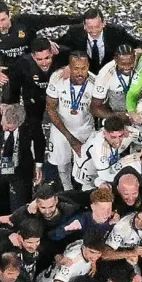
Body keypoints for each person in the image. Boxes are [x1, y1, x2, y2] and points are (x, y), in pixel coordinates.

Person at [0, 0, 81, 86]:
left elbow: (50, 20)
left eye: (3, 20)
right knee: (8, 97)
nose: (1, 25)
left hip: (34, 59)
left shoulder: (24, 21)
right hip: (11, 67)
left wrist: (80, 19)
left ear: (9, 15)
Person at [0, 104, 44, 215]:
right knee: (1, 195)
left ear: (20, 123)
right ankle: (4, 220)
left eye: (10, 128)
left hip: (20, 164)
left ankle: (25, 219)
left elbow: (39, 141)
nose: (4, 128)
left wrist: (38, 165)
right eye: (3, 124)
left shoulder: (31, 123)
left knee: (25, 197)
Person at [44, 52, 98, 190]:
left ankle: (87, 190)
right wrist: (70, 138)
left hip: (85, 128)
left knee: (87, 163)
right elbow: (50, 108)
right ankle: (67, 189)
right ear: (69, 67)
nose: (80, 73)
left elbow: (98, 108)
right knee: (62, 161)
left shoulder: (95, 82)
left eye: (83, 68)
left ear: (88, 66)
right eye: (76, 68)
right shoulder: (57, 78)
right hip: (61, 127)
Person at [54, 8, 142, 72]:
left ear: (103, 23)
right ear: (84, 26)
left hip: (110, 74)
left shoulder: (116, 33)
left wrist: (138, 51)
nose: (94, 31)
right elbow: (58, 45)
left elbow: (139, 44)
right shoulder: (75, 32)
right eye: (90, 27)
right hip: (84, 75)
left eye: (97, 26)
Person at [2, 36, 56, 140]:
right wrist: (8, 103)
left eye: (47, 58)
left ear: (52, 53)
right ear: (32, 56)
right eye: (39, 59)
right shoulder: (23, 64)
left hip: (58, 101)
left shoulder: (63, 56)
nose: (44, 63)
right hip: (32, 101)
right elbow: (11, 83)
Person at [73, 115, 133, 191]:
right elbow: (105, 176)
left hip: (105, 168)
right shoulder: (99, 149)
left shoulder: (112, 127)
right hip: (88, 176)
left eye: (120, 136)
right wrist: (130, 177)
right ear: (104, 133)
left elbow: (141, 135)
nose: (118, 141)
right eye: (113, 137)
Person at [91, 44, 140, 119]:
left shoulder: (140, 59)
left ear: (134, 58)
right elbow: (95, 108)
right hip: (118, 113)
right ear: (116, 60)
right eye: (123, 64)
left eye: (130, 63)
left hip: (139, 111)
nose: (127, 67)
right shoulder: (105, 75)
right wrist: (116, 117)